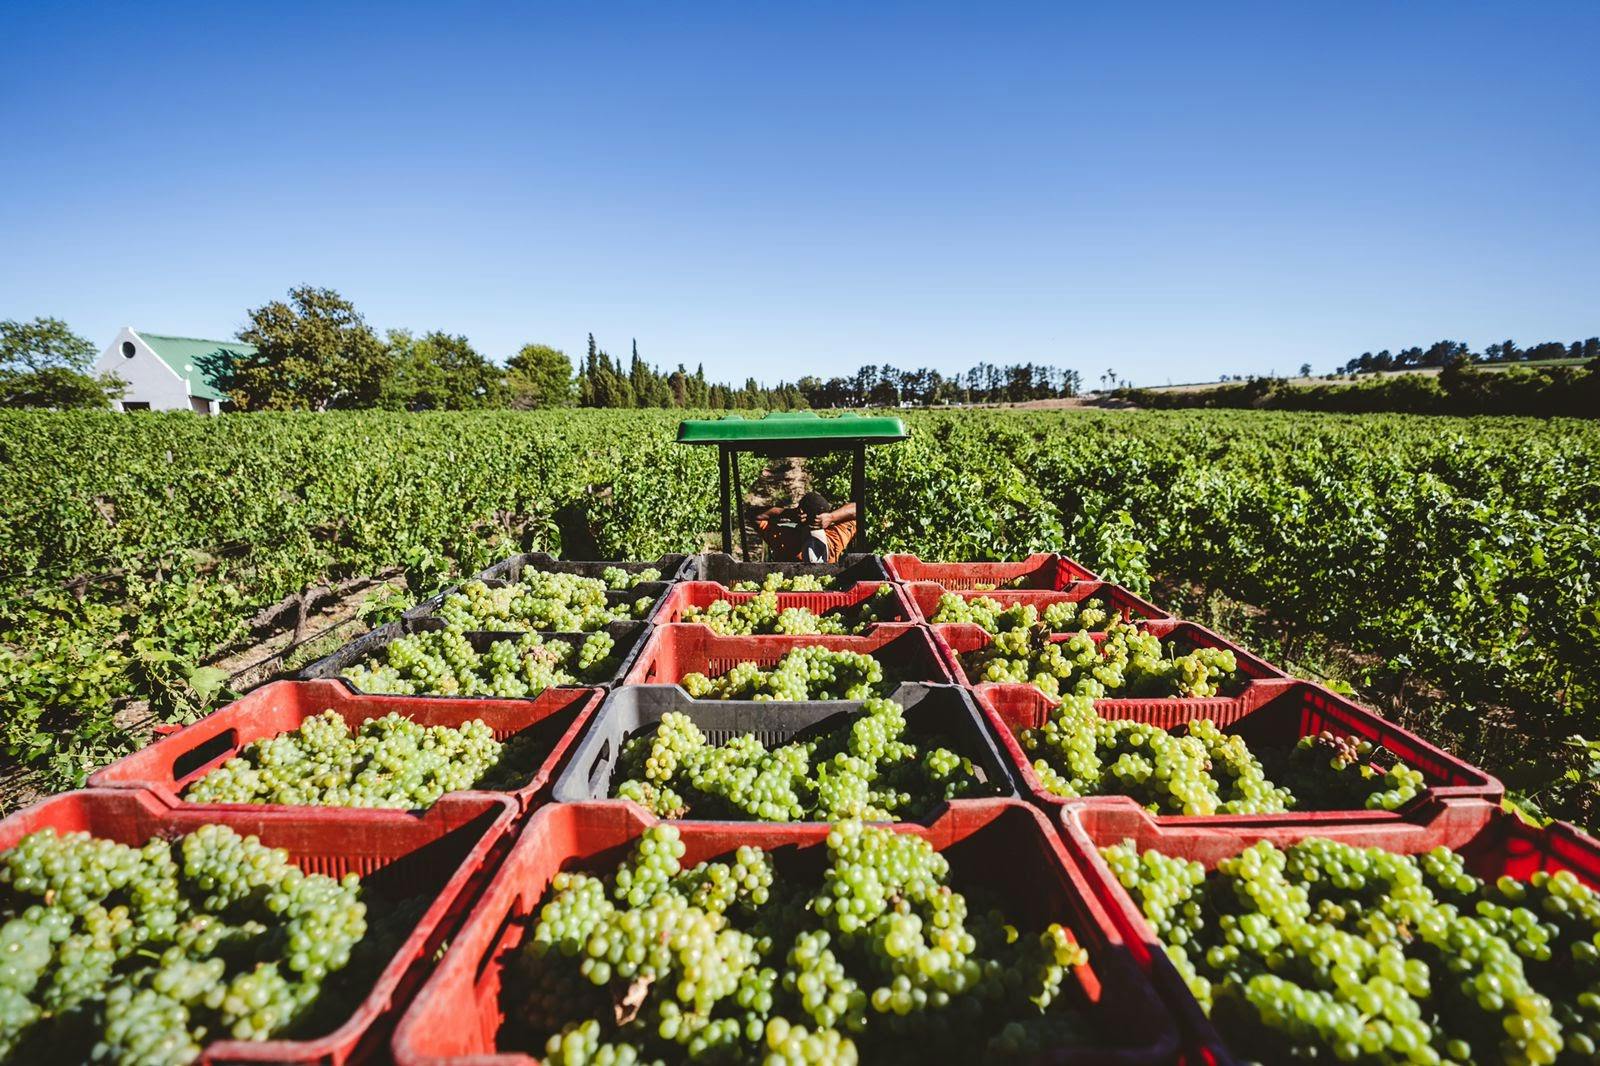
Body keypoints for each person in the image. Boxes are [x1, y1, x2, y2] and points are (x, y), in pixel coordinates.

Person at [748, 491, 858, 563]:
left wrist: (788, 513)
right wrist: (832, 517)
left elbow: (754, 515)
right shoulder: (835, 539)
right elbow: (858, 509)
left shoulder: (785, 540)